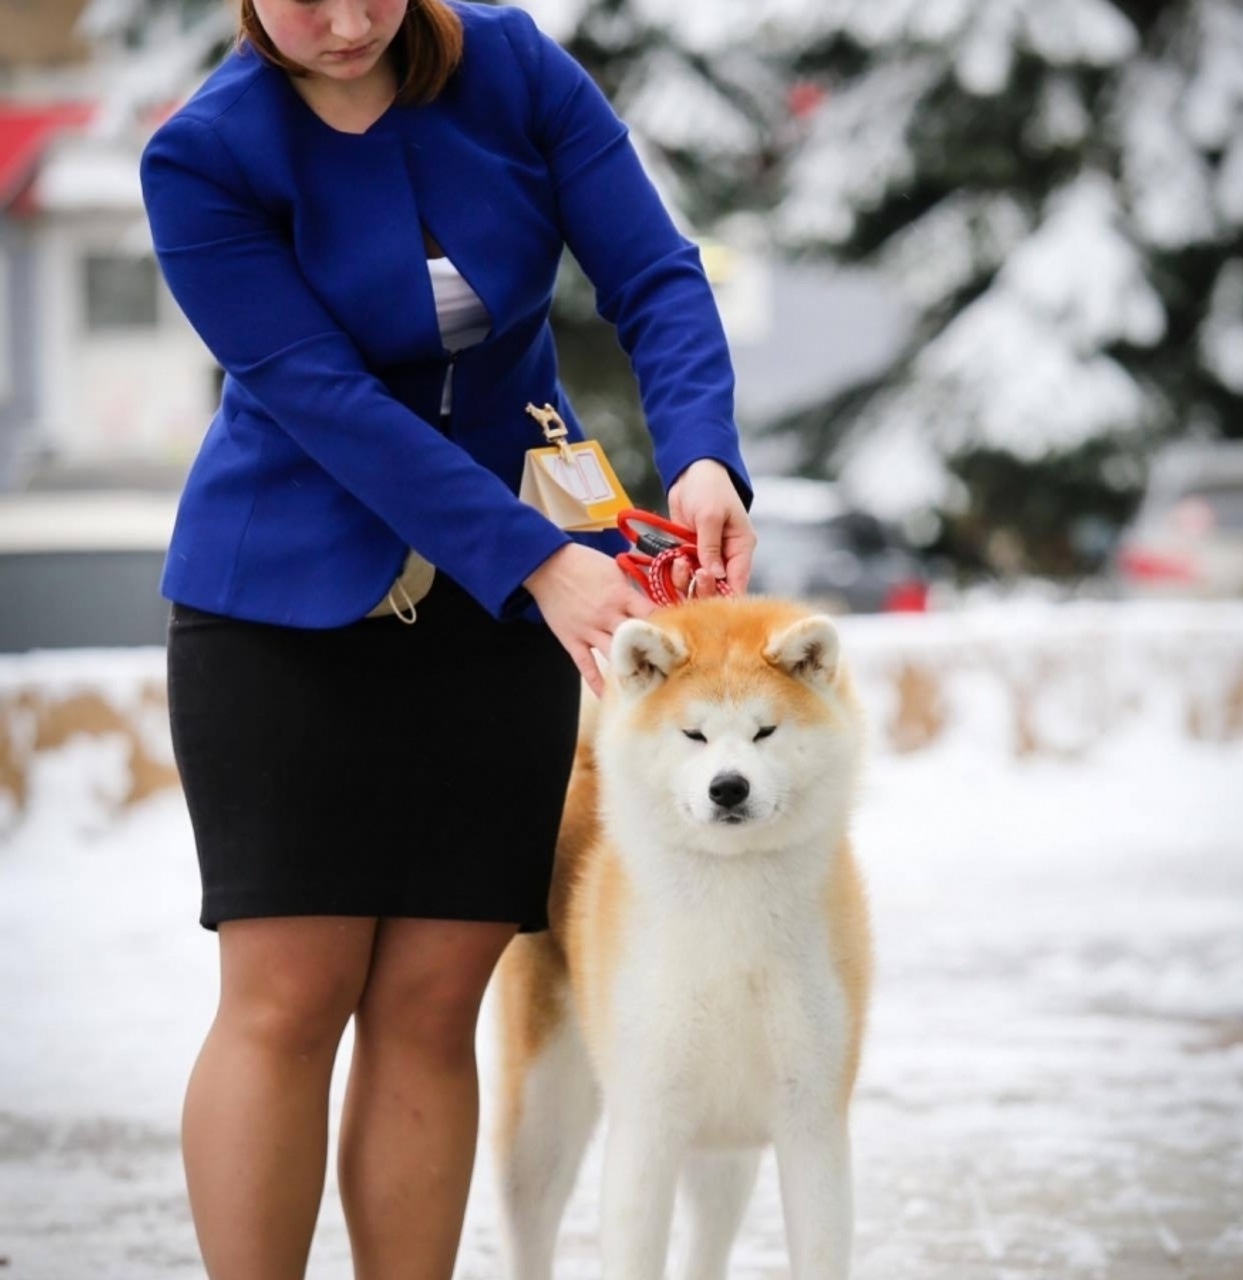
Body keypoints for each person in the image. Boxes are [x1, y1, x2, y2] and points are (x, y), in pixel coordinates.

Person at [140, 0, 754, 1276]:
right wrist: (537, 562)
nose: (351, 20)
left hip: (501, 618)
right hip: (285, 607)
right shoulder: (200, 155)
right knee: (288, 997)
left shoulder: (515, 66)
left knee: (432, 1003)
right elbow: (324, 398)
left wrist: (700, 455)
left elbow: (651, 272)